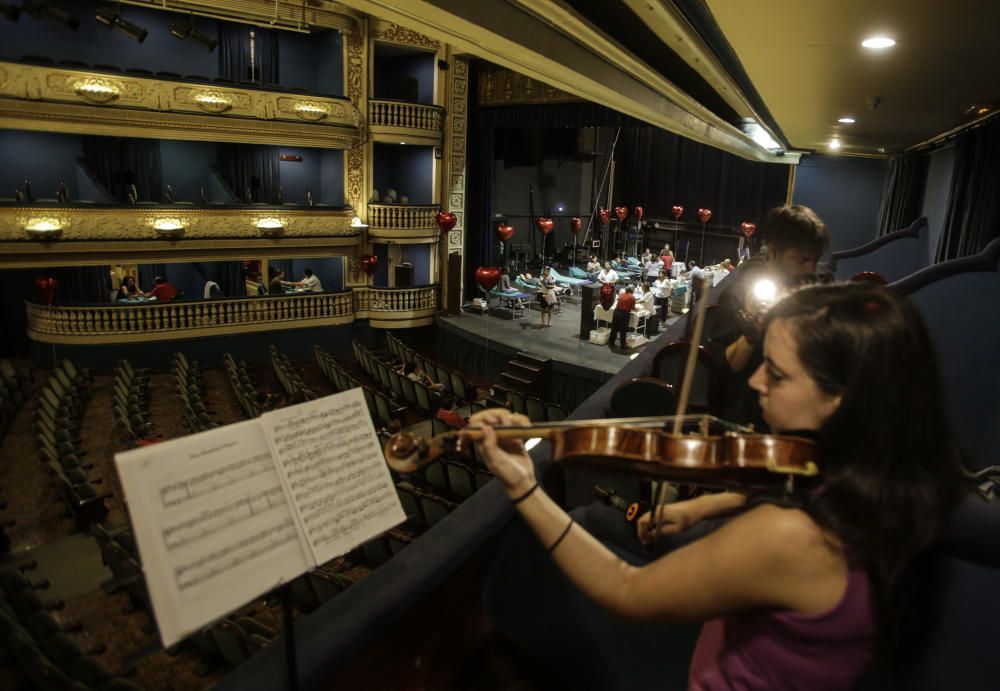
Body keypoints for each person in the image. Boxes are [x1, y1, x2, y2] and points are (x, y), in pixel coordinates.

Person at [474, 282, 967, 690]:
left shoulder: (794, 538)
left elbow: (627, 589)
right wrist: (702, 507)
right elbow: (790, 480)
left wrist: (523, 486)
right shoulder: (884, 480)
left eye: (776, 375)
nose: (755, 384)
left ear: (841, 398)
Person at [708, 204, 831, 427]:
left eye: (814, 261)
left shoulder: (818, 294)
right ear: (773, 253)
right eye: (801, 261)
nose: (810, 271)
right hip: (747, 417)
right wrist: (755, 329)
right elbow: (723, 370)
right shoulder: (738, 294)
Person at [608, 284, 635, 349]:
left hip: (616, 312)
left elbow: (618, 301)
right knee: (623, 330)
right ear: (632, 291)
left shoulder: (622, 295)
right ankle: (623, 345)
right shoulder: (632, 297)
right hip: (624, 314)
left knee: (614, 328)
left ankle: (611, 343)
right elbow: (633, 308)